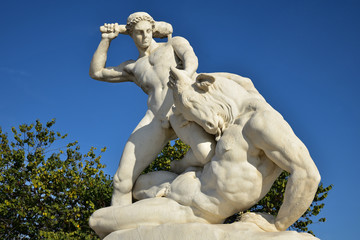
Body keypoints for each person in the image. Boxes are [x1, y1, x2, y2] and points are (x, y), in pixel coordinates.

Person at [89, 67, 321, 238]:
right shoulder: (235, 118)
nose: (207, 124)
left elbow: (307, 174)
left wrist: (278, 226)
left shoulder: (261, 122)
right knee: (122, 198)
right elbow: (244, 82)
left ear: (206, 86)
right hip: (180, 191)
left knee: (102, 223)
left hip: (193, 211)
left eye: (194, 108)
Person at [89, 12, 216, 206]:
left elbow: (191, 58)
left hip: (182, 110)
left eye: (149, 31)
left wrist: (185, 76)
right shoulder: (133, 67)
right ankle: (120, 227)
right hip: (155, 118)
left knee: (208, 155)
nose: (145, 36)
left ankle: (185, 176)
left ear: (153, 30)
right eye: (139, 33)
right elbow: (97, 72)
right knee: (121, 181)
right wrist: (106, 40)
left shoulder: (173, 45)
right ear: (131, 35)